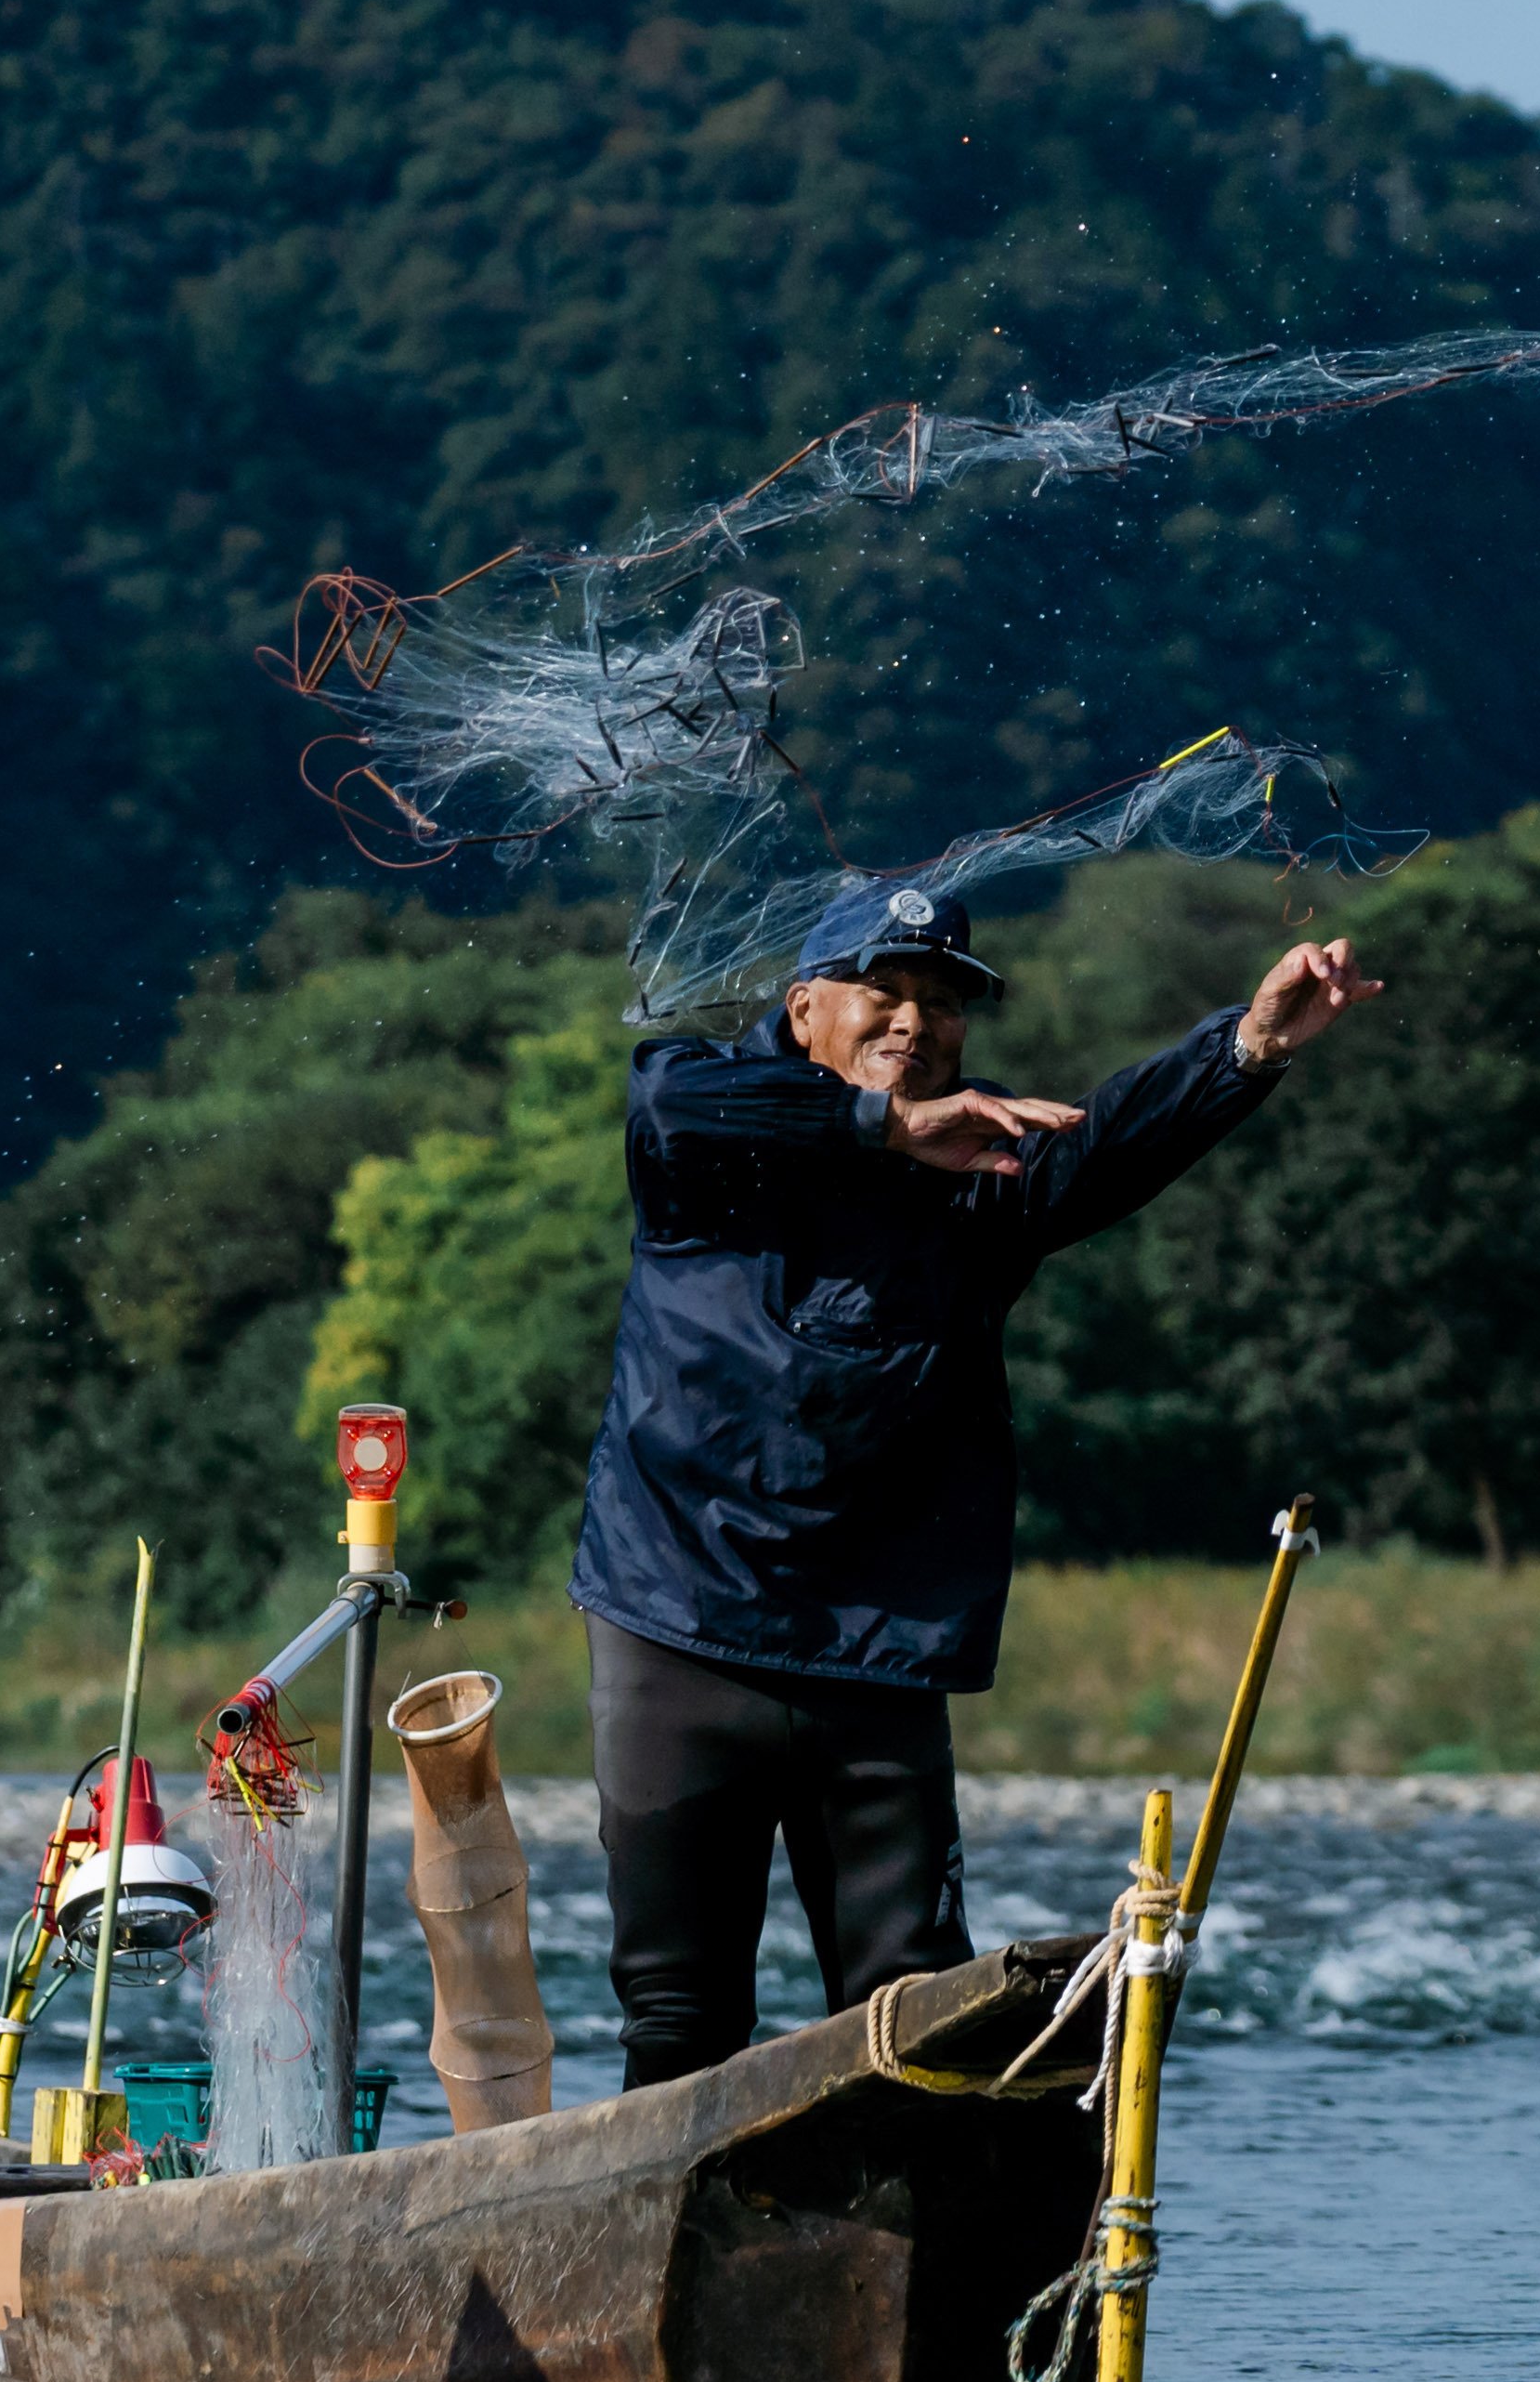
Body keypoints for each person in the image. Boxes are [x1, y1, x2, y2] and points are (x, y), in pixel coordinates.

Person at [574, 876, 1379, 2081]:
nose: (914, 1022)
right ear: (804, 1010)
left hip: (874, 1649)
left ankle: (907, 2264)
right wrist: (883, 1130)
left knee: (911, 2014)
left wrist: (1250, 1045)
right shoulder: (707, 1136)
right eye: (882, 994)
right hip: (678, 1618)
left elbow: (1108, 1140)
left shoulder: (982, 1165)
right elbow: (663, 1091)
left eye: (943, 1003)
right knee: (680, 2020)